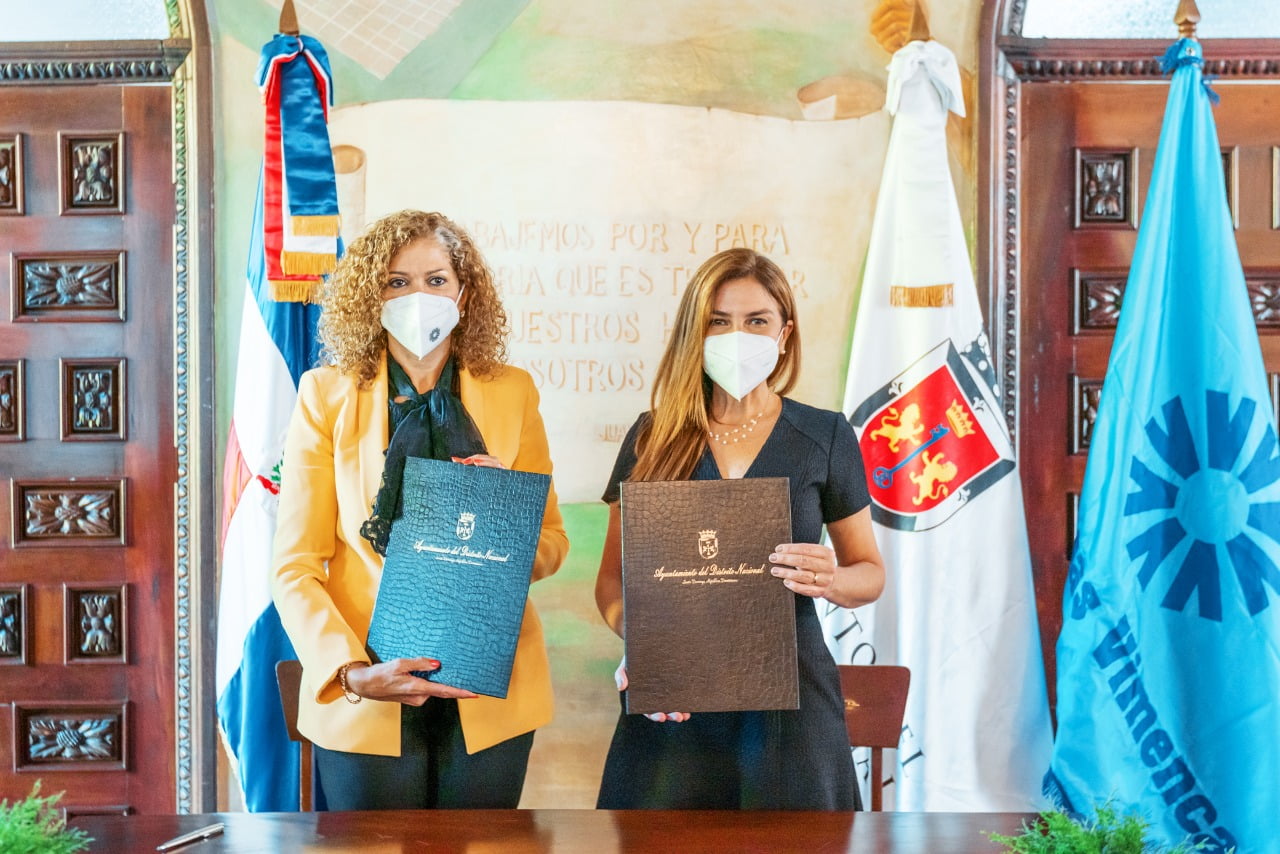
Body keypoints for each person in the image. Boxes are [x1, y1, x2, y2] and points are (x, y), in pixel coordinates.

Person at [271, 209, 568, 810]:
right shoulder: (325, 395)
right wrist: (350, 673)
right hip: (370, 685)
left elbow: (552, 543)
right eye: (397, 282)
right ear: (370, 297)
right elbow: (294, 567)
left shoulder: (513, 391)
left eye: (436, 280)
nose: (418, 297)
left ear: (465, 293)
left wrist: (506, 516)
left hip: (489, 686)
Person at [593, 247, 885, 810]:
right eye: (718, 322)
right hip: (674, 704)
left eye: (756, 321)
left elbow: (869, 574)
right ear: (694, 334)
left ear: (784, 334)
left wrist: (830, 578)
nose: (737, 336)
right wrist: (646, 644)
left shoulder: (825, 435)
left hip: (793, 707)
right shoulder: (650, 436)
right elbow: (611, 582)